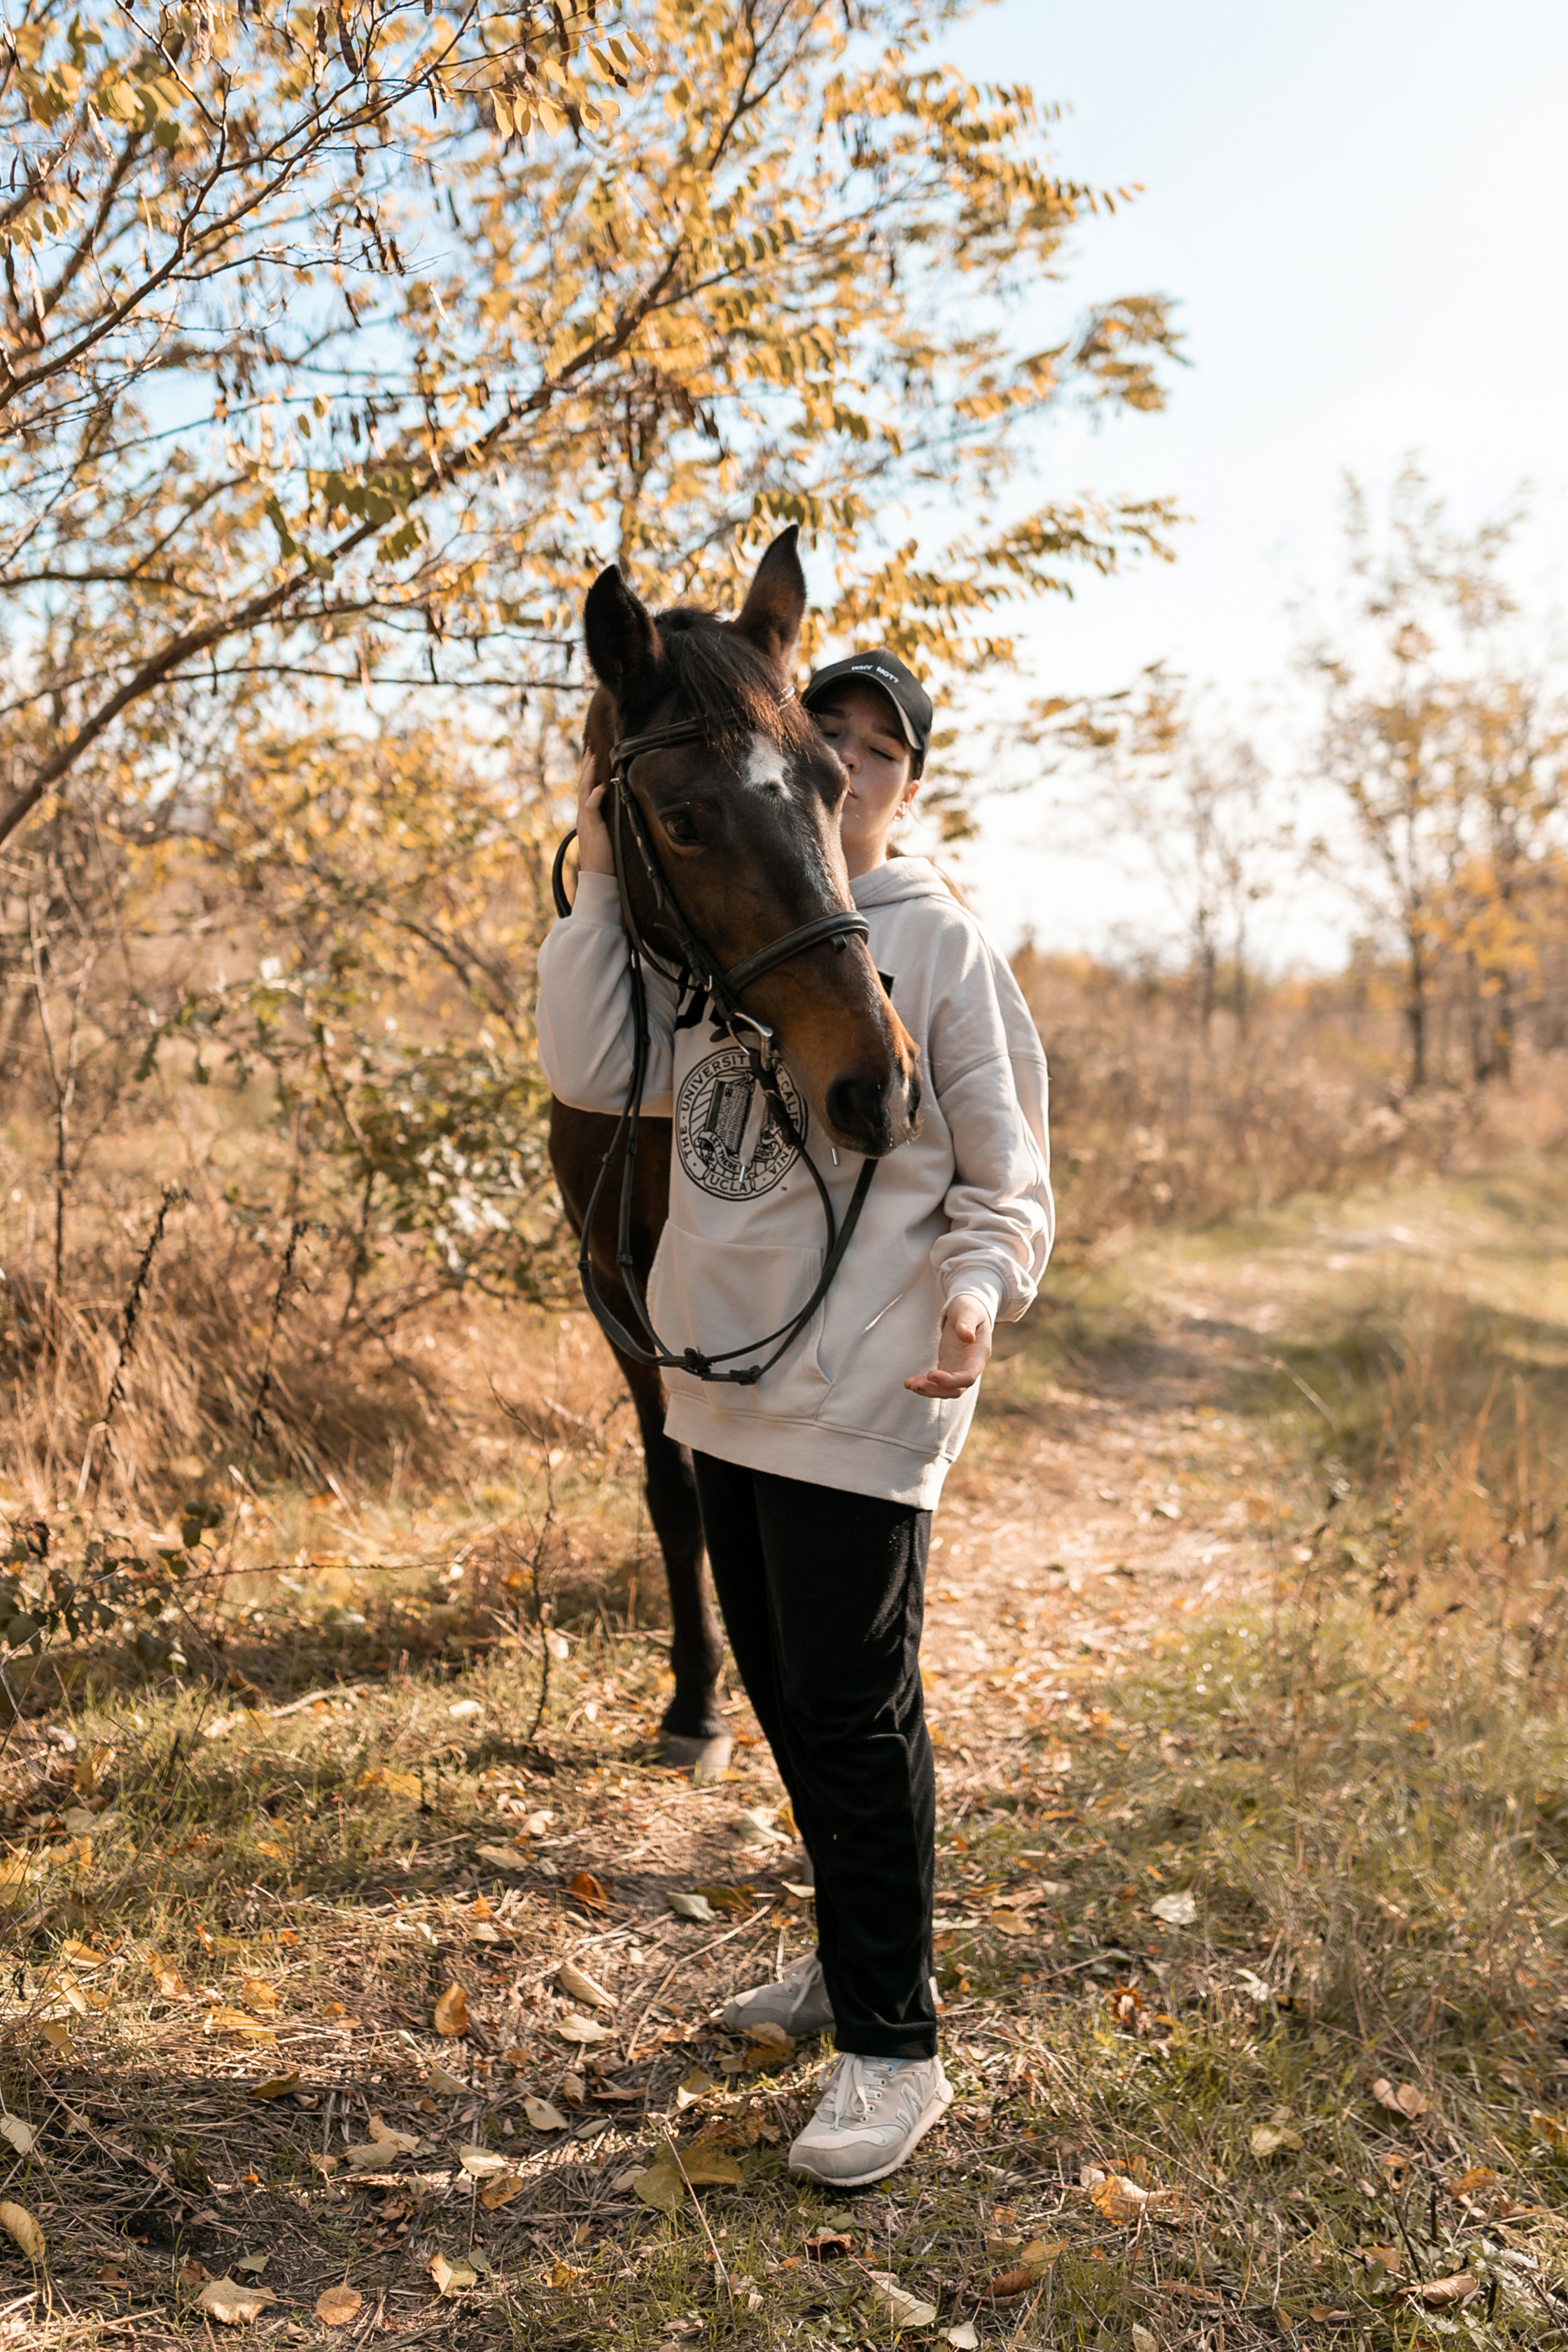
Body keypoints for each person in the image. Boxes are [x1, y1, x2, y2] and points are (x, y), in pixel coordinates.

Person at [536, 645, 1053, 2186]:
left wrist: (977, 1291)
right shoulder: (721, 931)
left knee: (852, 1706)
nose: (856, 761)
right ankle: (847, 1958)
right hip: (725, 1383)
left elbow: (1005, 1173)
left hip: (869, 1383)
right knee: (780, 1692)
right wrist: (598, 860)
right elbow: (589, 1064)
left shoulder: (937, 943)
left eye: (883, 749)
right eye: (832, 732)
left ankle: (894, 2047)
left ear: (903, 787)